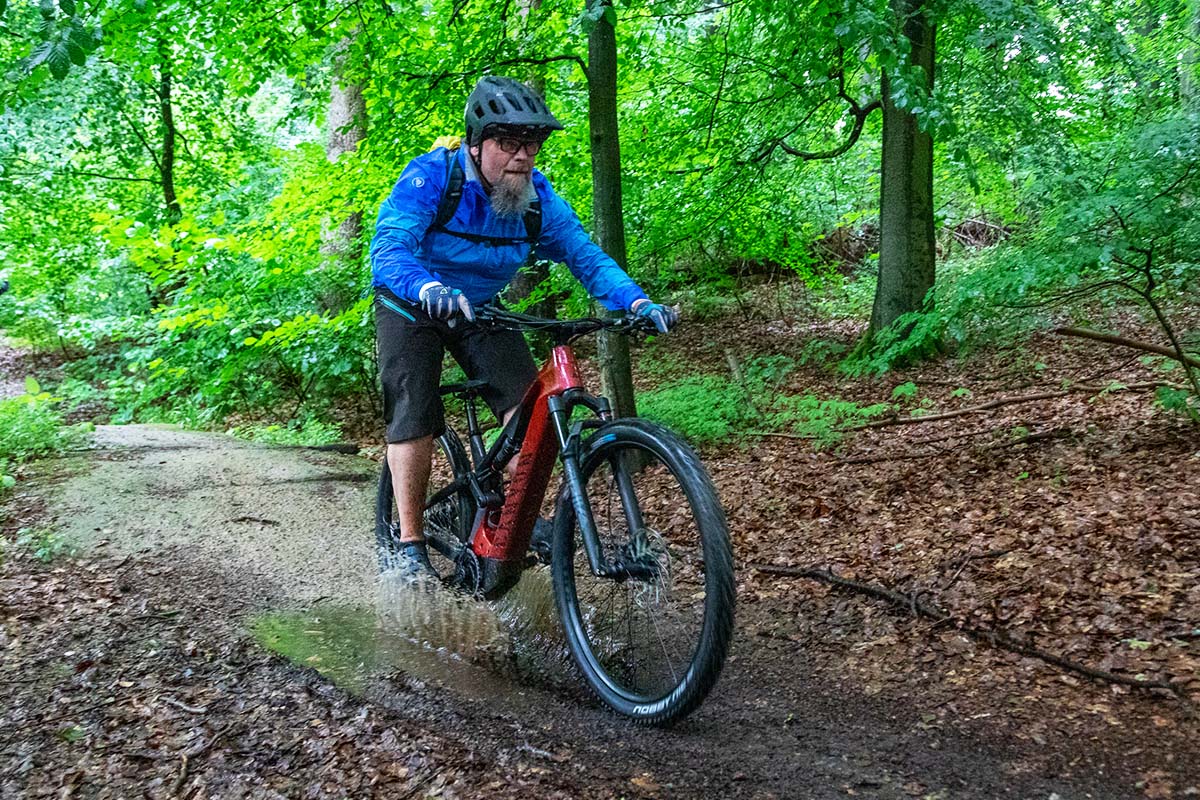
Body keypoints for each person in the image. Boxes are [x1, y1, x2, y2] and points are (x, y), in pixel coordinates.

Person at [370, 75, 678, 578]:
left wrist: (638, 301)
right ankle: (409, 544)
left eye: (531, 143)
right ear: (476, 143)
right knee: (413, 411)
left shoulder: (538, 202)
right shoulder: (431, 178)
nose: (522, 155)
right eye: (508, 142)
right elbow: (389, 249)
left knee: (530, 422)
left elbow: (585, 256)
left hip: (481, 309)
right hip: (412, 302)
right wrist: (427, 288)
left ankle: (502, 518)